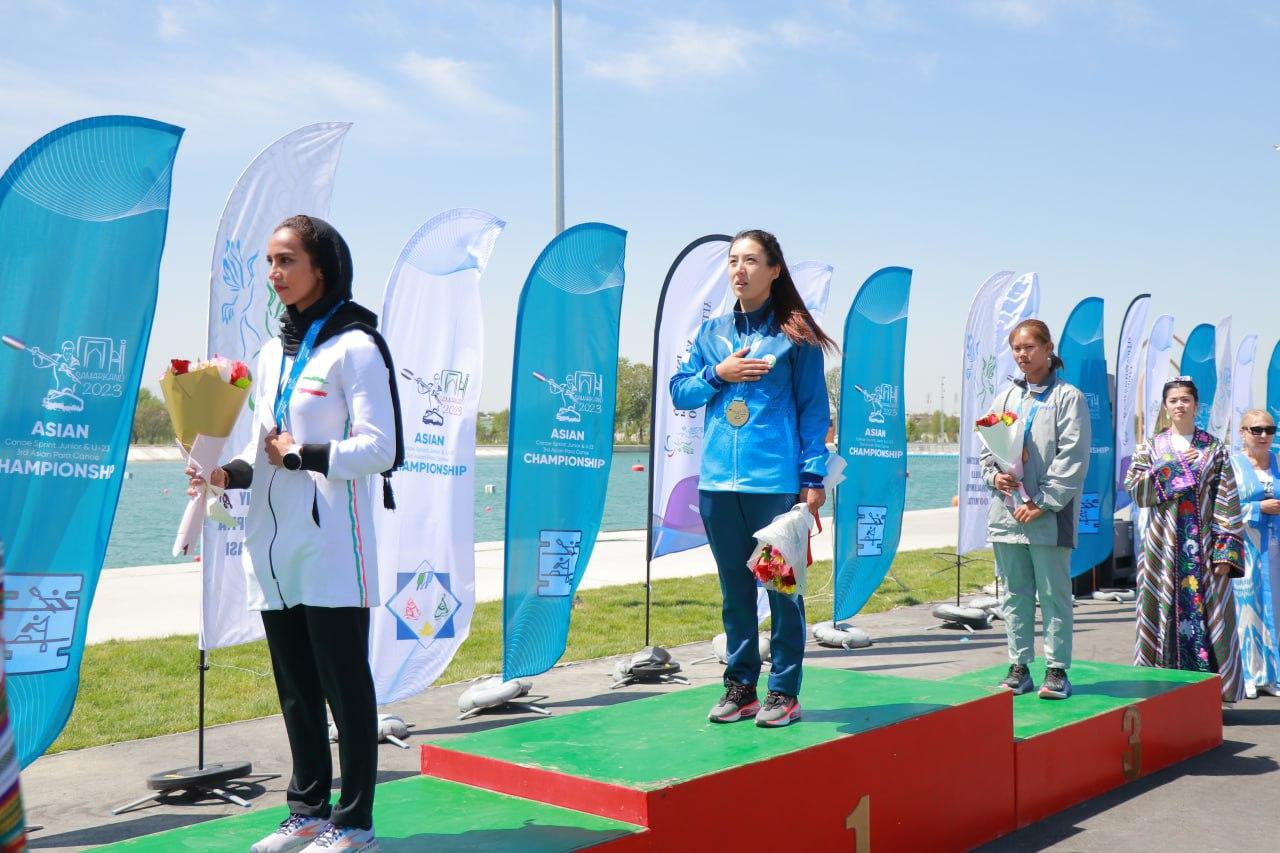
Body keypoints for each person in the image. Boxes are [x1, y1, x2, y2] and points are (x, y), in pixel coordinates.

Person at [188, 215, 402, 853]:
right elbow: (263, 447)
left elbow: (383, 449)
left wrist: (302, 456)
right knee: (297, 691)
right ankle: (307, 810)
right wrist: (225, 473)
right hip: (272, 548)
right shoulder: (269, 354)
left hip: (333, 545)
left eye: (287, 261)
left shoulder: (357, 346)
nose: (274, 274)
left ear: (322, 268)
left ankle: (355, 823)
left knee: (345, 688)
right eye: (269, 263)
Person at [670, 229, 834, 728]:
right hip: (719, 487)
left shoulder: (796, 337)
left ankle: (783, 691)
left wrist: (812, 477)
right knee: (735, 592)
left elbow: (813, 411)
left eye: (751, 261)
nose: (739, 270)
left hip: (773, 487)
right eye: (733, 261)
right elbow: (680, 392)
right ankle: (741, 687)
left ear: (774, 270)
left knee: (782, 591)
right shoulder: (711, 334)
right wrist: (717, 374)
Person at [982, 319, 1090, 700]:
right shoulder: (1004, 399)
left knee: (1053, 593)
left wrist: (1041, 502)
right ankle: (1019, 666)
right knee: (1014, 593)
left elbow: (1073, 458)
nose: (1022, 355)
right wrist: (995, 477)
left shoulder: (1069, 398)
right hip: (1007, 516)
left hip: (1049, 517)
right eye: (1016, 348)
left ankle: (1057, 670)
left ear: (1048, 348)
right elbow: (987, 451)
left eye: (1029, 347)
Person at [1124, 377, 1244, 703]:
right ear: (1165, 406)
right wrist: (1175, 468)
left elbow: (1226, 500)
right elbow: (1136, 490)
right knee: (1159, 612)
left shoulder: (1213, 449)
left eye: (1185, 399)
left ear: (1196, 405)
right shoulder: (1150, 448)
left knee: (1210, 615)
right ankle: (1160, 691)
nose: (1180, 405)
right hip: (1161, 548)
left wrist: (1225, 552)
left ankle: (1207, 696)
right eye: (1173, 400)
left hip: (1203, 547)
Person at [1229, 409, 1280, 698]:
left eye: (1269, 430)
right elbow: (1221, 508)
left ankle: (1271, 675)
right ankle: (1248, 675)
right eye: (1256, 429)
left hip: (1274, 549)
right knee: (1247, 611)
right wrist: (1259, 507)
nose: (1263, 435)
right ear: (1242, 432)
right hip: (1245, 548)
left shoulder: (1279, 462)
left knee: (1275, 611)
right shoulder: (1232, 466)